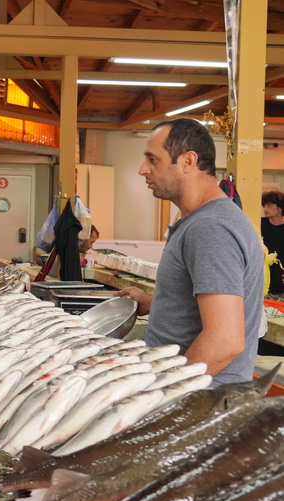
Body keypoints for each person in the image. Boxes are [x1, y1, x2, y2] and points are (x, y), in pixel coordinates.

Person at [117, 118, 264, 386]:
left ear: (188, 161)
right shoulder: (200, 221)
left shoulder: (209, 228)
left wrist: (162, 393)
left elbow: (225, 341)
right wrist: (154, 302)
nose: (142, 169)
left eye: (152, 159)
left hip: (200, 402)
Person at [261, 190, 284, 296]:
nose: (265, 209)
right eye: (264, 205)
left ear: (280, 207)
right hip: (264, 280)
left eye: (269, 205)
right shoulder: (260, 225)